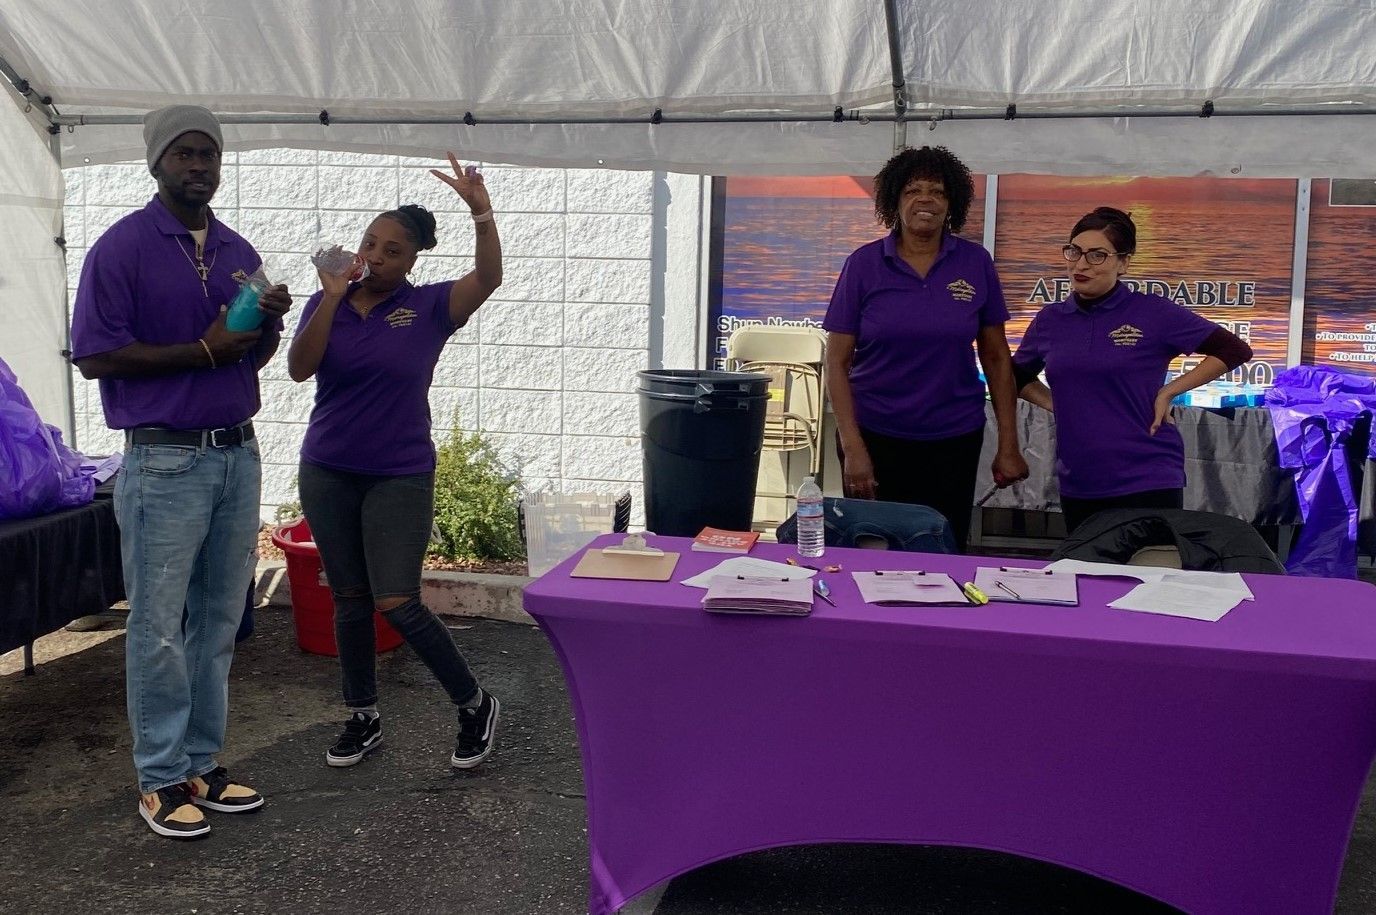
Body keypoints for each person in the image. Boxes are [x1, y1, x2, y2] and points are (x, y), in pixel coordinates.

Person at [70, 105, 291, 839]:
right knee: (160, 626)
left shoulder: (235, 249)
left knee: (219, 620)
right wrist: (199, 350)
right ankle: (159, 776)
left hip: (236, 452)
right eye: (185, 153)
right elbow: (97, 355)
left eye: (209, 154)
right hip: (164, 458)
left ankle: (199, 762)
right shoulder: (122, 248)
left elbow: (244, 353)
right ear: (157, 162)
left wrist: (268, 326)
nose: (199, 165)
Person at [288, 153, 502, 771]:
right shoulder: (326, 301)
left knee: (395, 601)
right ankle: (362, 716)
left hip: (399, 473)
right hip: (327, 468)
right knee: (349, 597)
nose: (376, 257)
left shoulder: (431, 307)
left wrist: (480, 212)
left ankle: (473, 704)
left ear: (413, 260)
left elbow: (487, 278)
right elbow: (301, 369)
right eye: (370, 244)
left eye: (392, 250)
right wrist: (331, 297)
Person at [823, 146, 1028, 550]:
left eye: (937, 191)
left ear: (951, 202)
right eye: (913, 190)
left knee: (942, 553)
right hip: (877, 437)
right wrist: (852, 448)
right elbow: (836, 361)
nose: (925, 199)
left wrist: (1008, 444)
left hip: (953, 439)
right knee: (874, 554)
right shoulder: (864, 265)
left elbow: (997, 357)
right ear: (894, 201)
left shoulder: (975, 263)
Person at [1012, 206, 1253, 534]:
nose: (1081, 264)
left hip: (1147, 476)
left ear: (1123, 262)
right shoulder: (1050, 320)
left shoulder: (1152, 313)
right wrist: (1057, 403)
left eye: (1097, 255)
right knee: (1088, 575)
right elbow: (1015, 376)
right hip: (1080, 479)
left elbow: (1234, 350)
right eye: (1075, 252)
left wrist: (1170, 391)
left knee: (1150, 576)